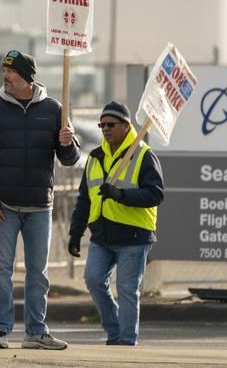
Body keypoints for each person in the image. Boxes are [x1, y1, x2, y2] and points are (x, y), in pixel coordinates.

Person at [0, 50, 79, 350]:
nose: (5, 76)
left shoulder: (55, 109)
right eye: (4, 71)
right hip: (2, 206)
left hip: (39, 208)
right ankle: (1, 332)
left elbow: (70, 159)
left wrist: (67, 145)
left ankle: (35, 332)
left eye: (11, 71)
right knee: (2, 270)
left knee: (38, 273)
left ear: (27, 76)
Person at [67, 101, 164, 346]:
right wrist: (75, 232)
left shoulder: (142, 154)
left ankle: (126, 340)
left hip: (133, 235)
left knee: (128, 290)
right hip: (102, 235)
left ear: (125, 126)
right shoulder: (95, 157)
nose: (105, 129)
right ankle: (114, 331)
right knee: (93, 280)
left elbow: (156, 194)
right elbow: (84, 199)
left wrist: (121, 195)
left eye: (111, 124)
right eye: (102, 125)